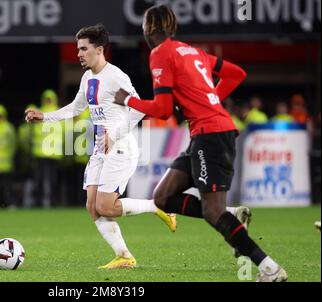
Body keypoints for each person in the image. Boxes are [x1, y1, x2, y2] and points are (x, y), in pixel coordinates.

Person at [114, 5, 287, 282]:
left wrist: (127, 100)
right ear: (172, 27)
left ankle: (270, 268)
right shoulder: (193, 51)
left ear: (148, 29)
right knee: (162, 197)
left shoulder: (160, 53)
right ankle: (233, 215)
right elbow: (236, 74)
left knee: (212, 211)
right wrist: (210, 100)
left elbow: (163, 109)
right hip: (205, 134)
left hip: (212, 135)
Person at [25, 24, 177, 269]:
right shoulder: (87, 77)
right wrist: (45, 116)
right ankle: (125, 256)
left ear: (99, 49)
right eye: (78, 49)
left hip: (119, 146)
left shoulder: (116, 76)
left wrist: (114, 135)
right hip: (100, 148)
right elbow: (76, 108)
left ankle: (159, 206)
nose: (79, 54)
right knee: (92, 206)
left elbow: (139, 108)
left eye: (84, 49)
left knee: (106, 206)